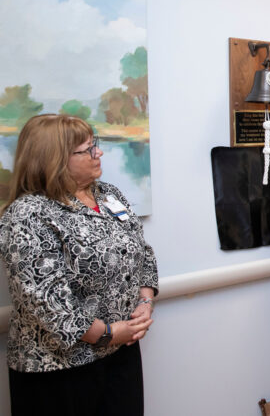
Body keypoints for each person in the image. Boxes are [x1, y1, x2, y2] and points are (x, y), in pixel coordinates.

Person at [0, 114, 158, 416]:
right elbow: (47, 299)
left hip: (120, 355)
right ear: (55, 159)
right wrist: (110, 332)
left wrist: (144, 301)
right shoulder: (28, 215)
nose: (98, 153)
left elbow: (143, 252)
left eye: (94, 145)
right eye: (87, 149)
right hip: (59, 372)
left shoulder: (109, 194)